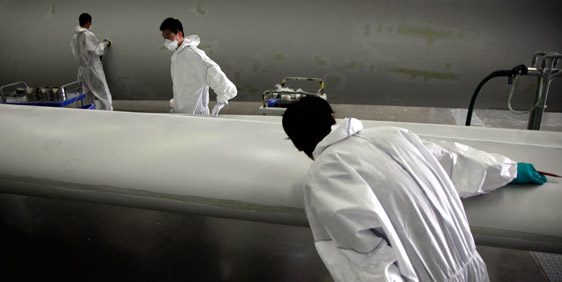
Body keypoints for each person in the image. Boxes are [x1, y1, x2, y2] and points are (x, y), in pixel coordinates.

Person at [282, 96, 547, 282]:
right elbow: (453, 161)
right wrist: (508, 170)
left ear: (296, 145)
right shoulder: (393, 135)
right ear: (332, 118)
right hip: (471, 267)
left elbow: (364, 258)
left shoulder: (326, 174)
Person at [159, 17, 237, 116]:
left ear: (179, 33)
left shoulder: (193, 54)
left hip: (197, 115)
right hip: (181, 114)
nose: (166, 40)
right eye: (164, 37)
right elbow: (180, 86)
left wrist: (221, 101)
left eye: (168, 36)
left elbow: (213, 71)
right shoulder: (176, 56)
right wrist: (175, 105)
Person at [70, 13, 114, 111]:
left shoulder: (75, 37)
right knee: (103, 92)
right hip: (93, 68)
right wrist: (105, 44)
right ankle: (108, 113)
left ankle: (89, 113)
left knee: (87, 94)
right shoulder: (88, 35)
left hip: (82, 70)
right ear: (88, 22)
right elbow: (97, 50)